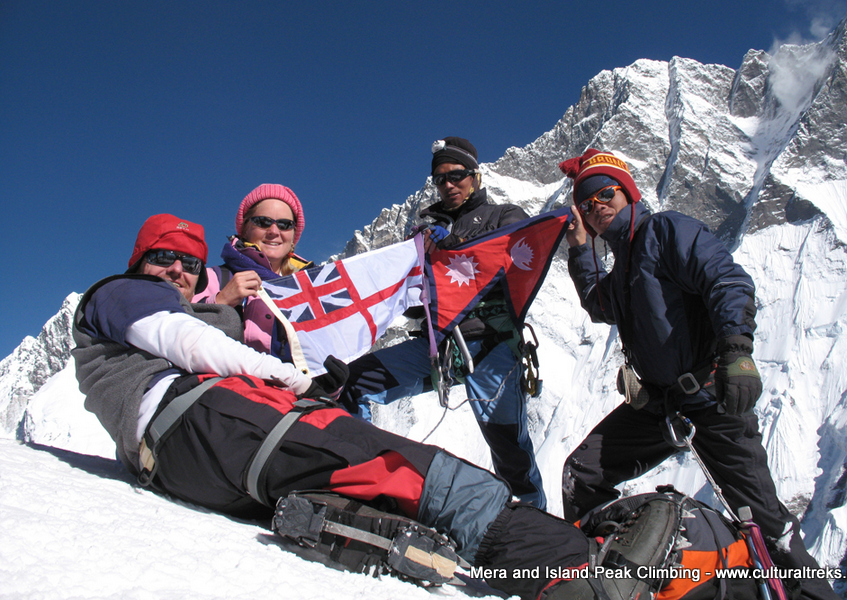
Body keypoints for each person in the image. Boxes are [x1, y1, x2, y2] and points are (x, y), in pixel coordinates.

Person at [71, 212, 606, 600]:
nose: (176, 269)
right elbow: (187, 341)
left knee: (359, 487)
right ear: (138, 261)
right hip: (203, 415)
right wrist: (292, 380)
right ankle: (575, 569)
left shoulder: (200, 306)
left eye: (188, 261)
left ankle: (452, 550)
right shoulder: (124, 293)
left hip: (191, 455)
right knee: (394, 465)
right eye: (162, 256)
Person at [560, 150, 840, 600]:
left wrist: (736, 351)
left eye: (605, 193)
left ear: (626, 192)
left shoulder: (664, 230)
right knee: (583, 473)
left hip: (711, 396)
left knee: (763, 521)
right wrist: (578, 250)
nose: (596, 207)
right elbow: (601, 304)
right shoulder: (624, 261)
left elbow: (726, 280)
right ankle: (605, 582)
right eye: (587, 202)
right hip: (661, 405)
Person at [339, 137, 546, 509]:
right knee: (355, 382)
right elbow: (413, 306)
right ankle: (359, 476)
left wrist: (452, 247)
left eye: (457, 175)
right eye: (440, 179)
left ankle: (536, 528)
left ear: (476, 177)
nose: (448, 184)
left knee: (508, 448)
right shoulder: (425, 232)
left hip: (492, 344)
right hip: (439, 348)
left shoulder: (506, 216)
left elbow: (513, 264)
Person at [193, 183, 313, 357]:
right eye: (262, 222)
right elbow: (175, 333)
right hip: (229, 380)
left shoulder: (311, 286)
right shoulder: (211, 279)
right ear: (245, 229)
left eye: (285, 225)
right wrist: (220, 302)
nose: (274, 231)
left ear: (294, 234)